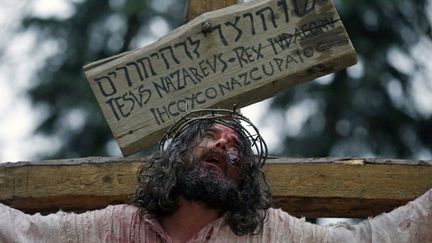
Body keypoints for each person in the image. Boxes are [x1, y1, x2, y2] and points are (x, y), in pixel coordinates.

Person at [0, 109, 431, 242]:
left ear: (246, 179)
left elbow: (364, 242)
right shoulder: (114, 226)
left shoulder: (269, 235)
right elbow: (23, 234)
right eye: (211, 136)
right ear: (179, 154)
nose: (226, 145)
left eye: (237, 148)